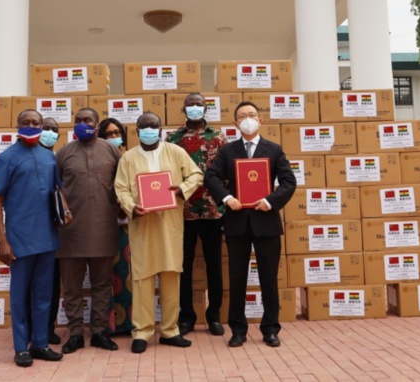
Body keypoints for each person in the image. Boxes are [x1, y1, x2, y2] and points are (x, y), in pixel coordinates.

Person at [204, 101, 296, 349]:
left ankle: (270, 329)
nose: (248, 119)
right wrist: (226, 198)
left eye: (252, 115)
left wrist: (270, 201)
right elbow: (210, 176)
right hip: (237, 223)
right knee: (237, 278)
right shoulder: (228, 151)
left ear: (260, 120)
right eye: (242, 116)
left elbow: (289, 182)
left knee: (269, 278)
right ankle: (238, 329)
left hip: (266, 222)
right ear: (236, 124)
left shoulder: (274, 150)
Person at [114, 111, 203, 354]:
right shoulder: (128, 158)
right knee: (141, 279)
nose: (148, 129)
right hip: (142, 225)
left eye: (153, 125)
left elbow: (196, 174)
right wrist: (132, 206)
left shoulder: (175, 152)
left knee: (171, 275)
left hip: (169, 225)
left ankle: (170, 330)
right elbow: (120, 188)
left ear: (160, 128)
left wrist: (180, 189)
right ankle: (141, 332)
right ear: (136, 130)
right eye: (144, 125)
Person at [0, 109, 64, 368]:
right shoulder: (7, 158)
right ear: (17, 126)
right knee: (20, 295)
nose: (32, 126)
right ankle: (21, 348)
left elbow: (56, 191)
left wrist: (66, 212)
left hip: (47, 235)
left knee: (44, 294)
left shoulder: (49, 157)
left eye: (37, 123)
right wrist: (2, 240)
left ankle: (41, 344)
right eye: (27, 122)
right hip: (19, 238)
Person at [55, 108, 122, 354]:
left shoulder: (111, 151)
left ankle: (99, 332)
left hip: (104, 228)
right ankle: (74, 334)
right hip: (70, 232)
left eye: (88, 120)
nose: (82, 124)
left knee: (102, 284)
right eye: (78, 120)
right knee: (72, 287)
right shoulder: (63, 153)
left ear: (97, 124)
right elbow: (55, 188)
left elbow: (123, 185)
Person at [166, 92, 226, 337]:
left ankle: (214, 317)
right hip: (183, 211)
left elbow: (227, 173)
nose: (194, 108)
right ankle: (186, 317)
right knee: (184, 266)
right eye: (190, 105)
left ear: (205, 108)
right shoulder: (172, 139)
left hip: (213, 211)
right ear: (183, 109)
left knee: (214, 265)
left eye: (198, 105)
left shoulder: (218, 137)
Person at [97, 117, 134, 335]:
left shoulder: (131, 157)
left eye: (116, 132)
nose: (113, 137)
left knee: (126, 274)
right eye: (108, 134)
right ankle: (107, 326)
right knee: (104, 275)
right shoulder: (98, 158)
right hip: (102, 222)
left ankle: (128, 325)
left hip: (127, 224)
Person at [39, 117, 62, 345]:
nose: (50, 133)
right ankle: (29, 328)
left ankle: (48, 327)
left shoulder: (57, 159)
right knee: (30, 284)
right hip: (30, 231)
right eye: (46, 128)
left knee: (52, 283)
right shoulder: (24, 155)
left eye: (54, 130)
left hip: (54, 231)